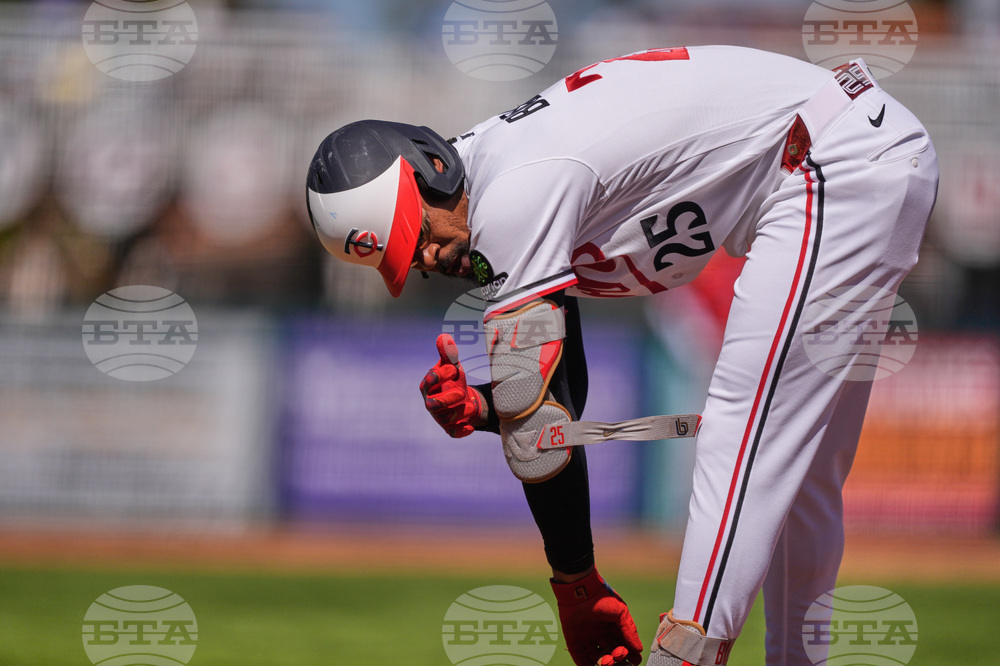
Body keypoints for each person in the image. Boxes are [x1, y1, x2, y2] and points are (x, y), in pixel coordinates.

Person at [305, 46, 938, 666]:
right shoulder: (497, 185)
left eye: (414, 235)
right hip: (854, 152)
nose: (423, 260)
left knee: (745, 431)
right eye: (401, 259)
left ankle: (687, 652)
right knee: (797, 474)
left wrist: (576, 586)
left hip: (833, 161)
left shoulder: (515, 188)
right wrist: (486, 403)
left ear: (432, 168)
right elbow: (552, 394)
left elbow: (534, 416)